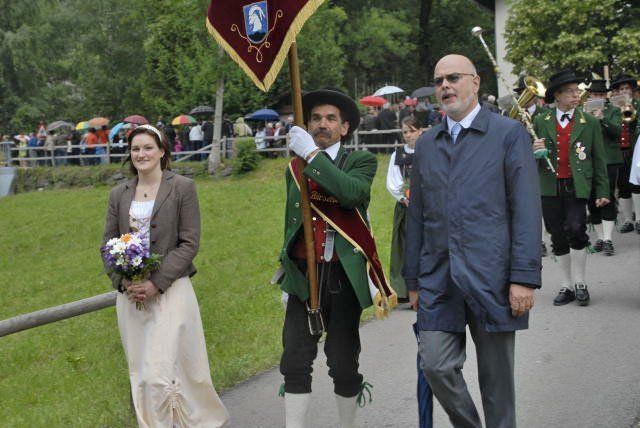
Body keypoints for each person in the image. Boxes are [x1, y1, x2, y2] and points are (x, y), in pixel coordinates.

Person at [404, 54, 542, 428]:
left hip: (493, 278)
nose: (445, 86)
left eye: (453, 78)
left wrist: (524, 277)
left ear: (475, 82)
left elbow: (526, 210)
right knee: (435, 364)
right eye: (439, 81)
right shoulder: (427, 144)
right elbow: (417, 216)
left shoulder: (508, 135)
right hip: (439, 279)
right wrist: (413, 280)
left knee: (497, 388)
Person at [279, 88, 395, 428]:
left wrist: (312, 155)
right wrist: (287, 271)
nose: (322, 124)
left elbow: (351, 194)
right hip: (304, 275)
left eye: (331, 119)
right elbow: (291, 223)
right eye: (315, 118)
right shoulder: (295, 167)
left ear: (344, 128)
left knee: (342, 362)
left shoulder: (361, 161)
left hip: (341, 275)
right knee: (295, 360)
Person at [102, 124, 229, 427]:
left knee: (162, 372)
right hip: (132, 297)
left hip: (172, 290)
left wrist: (157, 282)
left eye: (148, 147)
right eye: (135, 149)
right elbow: (107, 244)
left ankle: (194, 421)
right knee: (141, 372)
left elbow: (189, 242)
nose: (141, 154)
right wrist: (124, 281)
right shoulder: (119, 194)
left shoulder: (182, 187)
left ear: (162, 151)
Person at [532, 70, 609, 306]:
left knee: (576, 229)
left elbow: (599, 159)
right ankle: (566, 285)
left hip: (576, 184)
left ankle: (580, 282)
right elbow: (530, 156)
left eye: (577, 91)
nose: (576, 95)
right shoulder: (541, 120)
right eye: (570, 92)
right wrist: (534, 150)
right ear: (557, 95)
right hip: (549, 186)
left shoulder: (590, 122)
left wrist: (603, 191)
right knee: (556, 234)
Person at [386, 115, 422, 304]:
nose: (408, 135)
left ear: (420, 131)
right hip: (405, 208)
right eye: (405, 132)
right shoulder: (397, 155)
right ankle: (404, 290)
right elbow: (392, 181)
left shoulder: (427, 151)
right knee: (405, 246)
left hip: (425, 207)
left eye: (411, 131)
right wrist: (403, 198)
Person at [586, 79, 622, 255]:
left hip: (609, 160)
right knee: (591, 199)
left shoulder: (613, 110)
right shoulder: (582, 111)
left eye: (601, 94)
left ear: (606, 96)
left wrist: (603, 119)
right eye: (595, 94)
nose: (598, 97)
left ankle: (608, 239)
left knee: (607, 197)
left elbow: (618, 132)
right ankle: (600, 237)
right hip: (589, 160)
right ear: (590, 95)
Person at [610, 74, 640, 233]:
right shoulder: (613, 108)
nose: (624, 91)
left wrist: (630, 107)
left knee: (637, 184)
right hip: (619, 150)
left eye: (626, 88)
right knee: (622, 185)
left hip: (636, 149)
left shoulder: (637, 104)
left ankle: (639, 218)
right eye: (621, 89)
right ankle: (628, 220)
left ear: (631, 90)